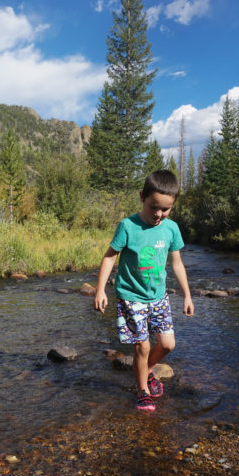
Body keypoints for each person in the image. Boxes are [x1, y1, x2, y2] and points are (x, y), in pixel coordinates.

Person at [94, 170, 194, 412]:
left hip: (158, 297)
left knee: (168, 344)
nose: (159, 214)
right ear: (142, 197)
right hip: (131, 297)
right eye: (154, 207)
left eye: (166, 209)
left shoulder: (171, 229)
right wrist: (100, 290)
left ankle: (144, 370)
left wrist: (187, 295)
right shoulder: (128, 226)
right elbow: (109, 258)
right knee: (142, 346)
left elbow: (177, 263)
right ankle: (143, 392)